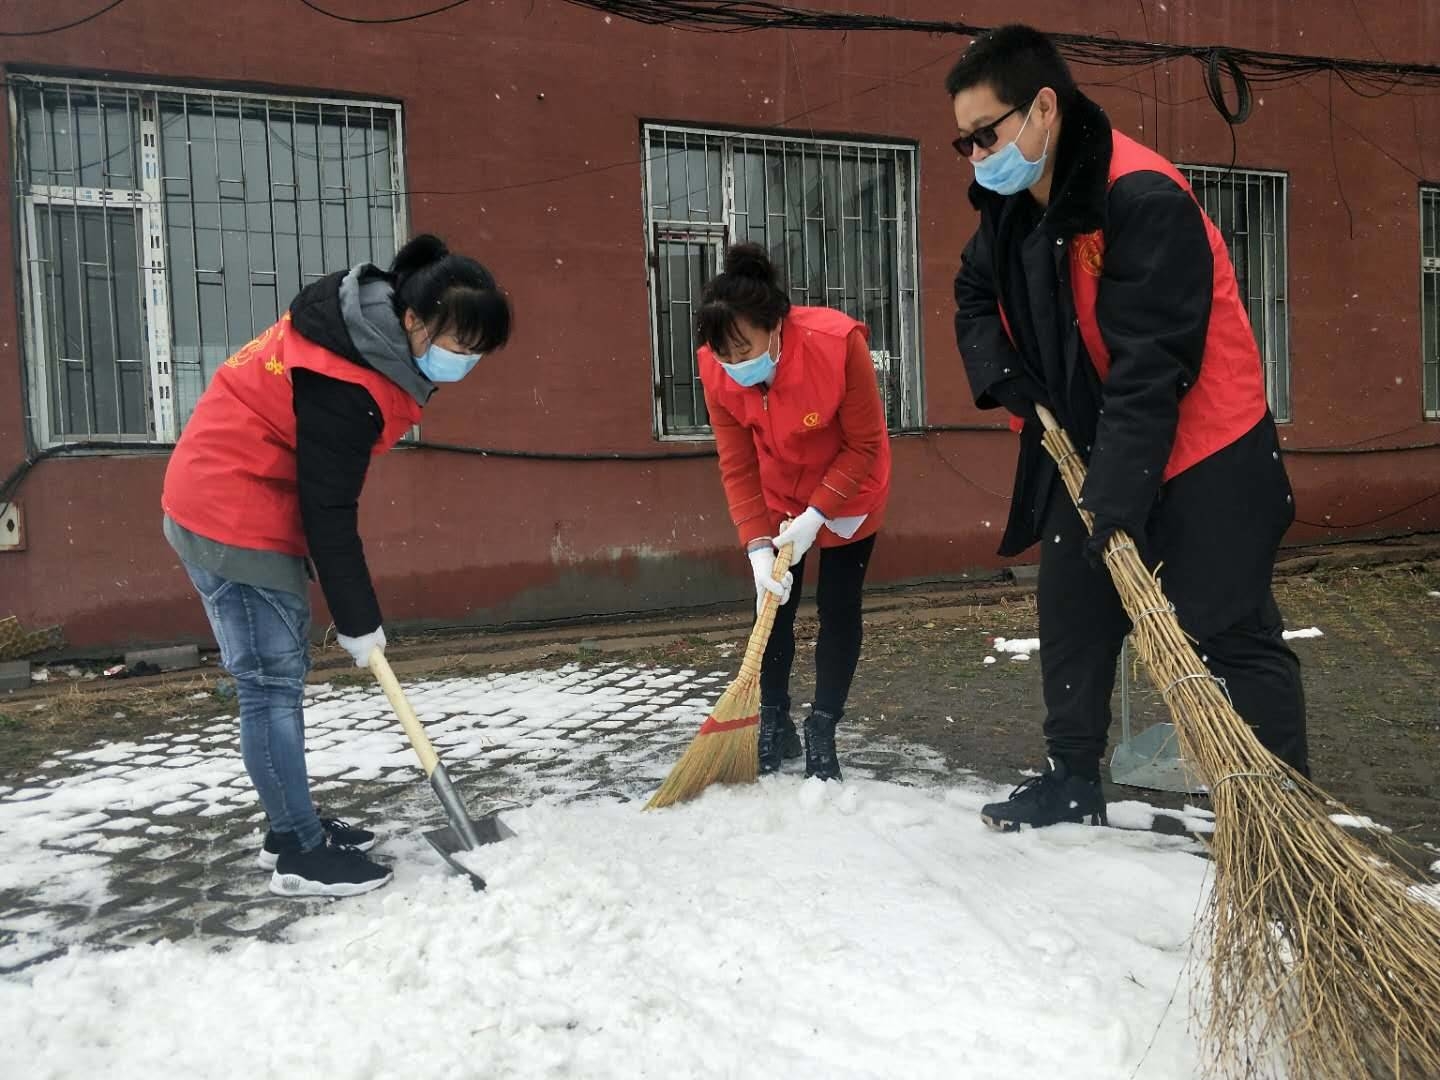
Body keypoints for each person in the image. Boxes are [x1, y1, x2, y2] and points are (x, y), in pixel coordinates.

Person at [947, 26, 1309, 830]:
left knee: (1230, 629)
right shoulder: (1010, 210)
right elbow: (973, 296)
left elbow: (1153, 368)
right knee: (1073, 615)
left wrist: (1115, 502)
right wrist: (1004, 377)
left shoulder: (1140, 197)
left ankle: (1284, 818)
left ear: (1044, 108)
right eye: (962, 141)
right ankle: (1073, 778)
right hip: (1089, 440)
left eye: (987, 134)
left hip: (1205, 448)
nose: (976, 156)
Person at [161, 234, 511, 895]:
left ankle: (289, 820)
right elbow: (329, 509)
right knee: (270, 685)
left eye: (476, 353)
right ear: (413, 319)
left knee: (275, 677)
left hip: (238, 491)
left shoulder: (360, 332)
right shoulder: (347, 377)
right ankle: (297, 849)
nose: (463, 362)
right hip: (230, 509)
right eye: (458, 346)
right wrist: (359, 622)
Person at [695, 244, 892, 781]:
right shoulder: (716, 370)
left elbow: (865, 443)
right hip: (778, 496)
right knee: (773, 607)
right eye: (722, 353)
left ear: (776, 327)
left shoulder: (835, 343)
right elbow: (736, 465)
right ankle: (773, 722)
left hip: (849, 491)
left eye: (743, 349)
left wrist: (818, 514)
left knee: (838, 605)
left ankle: (822, 727)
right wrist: (757, 544)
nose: (733, 364)